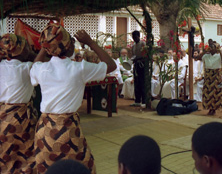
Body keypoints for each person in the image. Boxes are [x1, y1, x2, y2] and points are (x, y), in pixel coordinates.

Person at [30, 25, 116, 173]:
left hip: (44, 130)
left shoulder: (41, 69)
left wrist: (47, 45)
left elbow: (34, 65)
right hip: (68, 131)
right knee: (81, 168)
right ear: (69, 47)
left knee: (46, 168)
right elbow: (111, 65)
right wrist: (90, 42)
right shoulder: (79, 69)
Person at [0, 34, 37, 174]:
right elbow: (48, 64)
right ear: (21, 50)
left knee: (6, 156)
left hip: (3, 116)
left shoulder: (1, 65)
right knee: (26, 156)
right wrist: (33, 54)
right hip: (22, 119)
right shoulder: (27, 67)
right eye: (26, 46)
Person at [197, 43, 222, 115]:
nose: (211, 48)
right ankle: (209, 108)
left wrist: (220, 51)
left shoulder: (218, 56)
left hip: (216, 75)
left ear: (216, 49)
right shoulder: (206, 55)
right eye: (211, 47)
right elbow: (199, 57)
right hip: (208, 75)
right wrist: (205, 51)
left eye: (213, 47)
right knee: (207, 92)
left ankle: (214, 109)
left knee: (215, 92)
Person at [130, 30, 146, 107]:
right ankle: (137, 100)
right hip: (136, 66)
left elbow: (145, 55)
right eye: (133, 37)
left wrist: (137, 59)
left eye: (135, 37)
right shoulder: (133, 46)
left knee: (142, 82)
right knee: (136, 83)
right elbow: (133, 56)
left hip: (142, 66)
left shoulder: (143, 44)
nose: (134, 39)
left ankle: (144, 100)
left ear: (138, 36)